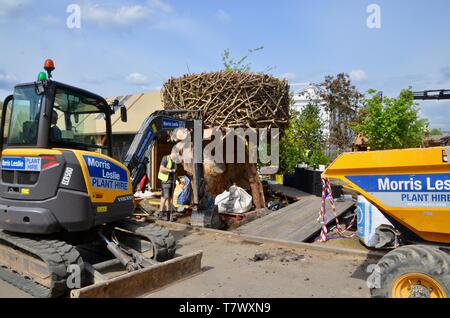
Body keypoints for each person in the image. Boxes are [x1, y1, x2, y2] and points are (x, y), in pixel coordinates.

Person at [158, 152, 177, 221]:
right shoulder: (165, 158)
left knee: (169, 198)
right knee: (165, 197)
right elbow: (161, 168)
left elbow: (175, 172)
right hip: (166, 181)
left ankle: (168, 215)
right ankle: (161, 214)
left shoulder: (174, 161)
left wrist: (177, 180)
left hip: (172, 181)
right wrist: (170, 170)